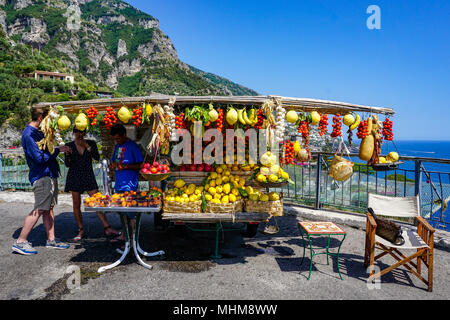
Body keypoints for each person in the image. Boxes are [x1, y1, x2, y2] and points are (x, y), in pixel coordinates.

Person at [12, 107, 71, 255]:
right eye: (48, 119)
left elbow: (46, 150)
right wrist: (58, 150)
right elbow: (39, 158)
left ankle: (51, 240)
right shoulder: (29, 135)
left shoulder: (38, 132)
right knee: (39, 209)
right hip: (41, 176)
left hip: (49, 174)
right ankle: (21, 241)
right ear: (40, 119)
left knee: (48, 208)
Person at [63, 127, 120, 241]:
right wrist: (68, 154)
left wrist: (87, 146)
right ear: (74, 133)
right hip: (74, 176)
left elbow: (96, 157)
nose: (80, 134)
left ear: (85, 133)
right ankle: (81, 230)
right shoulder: (69, 144)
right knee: (76, 204)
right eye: (77, 132)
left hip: (88, 175)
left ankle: (107, 227)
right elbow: (68, 164)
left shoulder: (91, 143)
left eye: (82, 132)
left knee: (97, 201)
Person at [109, 124, 144, 243]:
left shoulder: (133, 146)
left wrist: (125, 166)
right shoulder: (117, 146)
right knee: (122, 212)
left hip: (130, 185)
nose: (116, 141)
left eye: (118, 138)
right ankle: (125, 236)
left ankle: (133, 239)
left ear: (124, 135)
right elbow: (114, 161)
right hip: (118, 185)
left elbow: (141, 165)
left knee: (131, 213)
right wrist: (113, 165)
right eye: (114, 139)